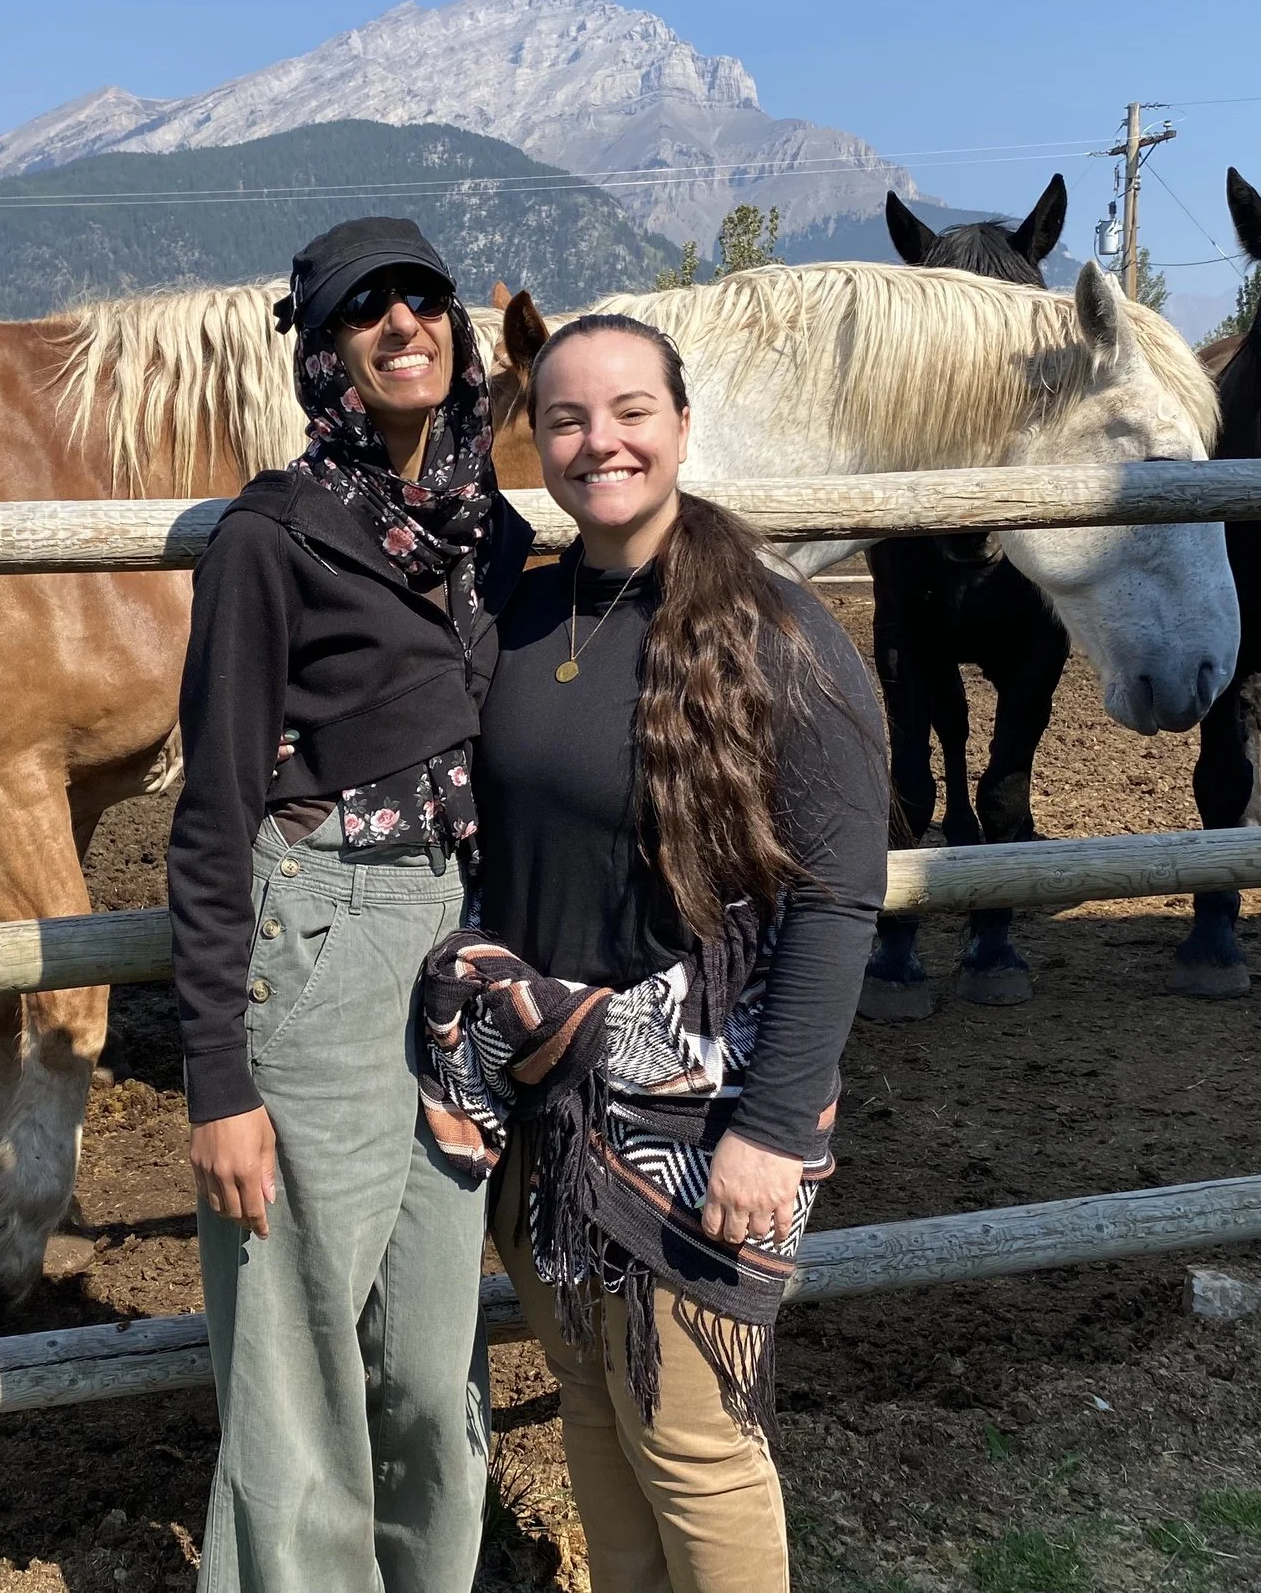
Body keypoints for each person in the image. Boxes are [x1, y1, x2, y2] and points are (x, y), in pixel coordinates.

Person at [423, 311, 888, 1593]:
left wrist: (772, 1127)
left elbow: (840, 899)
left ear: (681, 425)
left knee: (692, 1441)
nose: (599, 441)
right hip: (539, 1091)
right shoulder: (517, 612)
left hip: (695, 1112)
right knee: (588, 1397)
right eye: (566, 417)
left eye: (631, 411)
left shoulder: (776, 635)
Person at [168, 217, 531, 1593]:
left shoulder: (489, 534)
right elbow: (211, 815)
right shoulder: (274, 536)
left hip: (457, 939)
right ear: (325, 351)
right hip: (321, 930)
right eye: (366, 310)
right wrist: (217, 1080)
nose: (403, 326)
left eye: (424, 300)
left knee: (435, 1358)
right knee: (298, 1344)